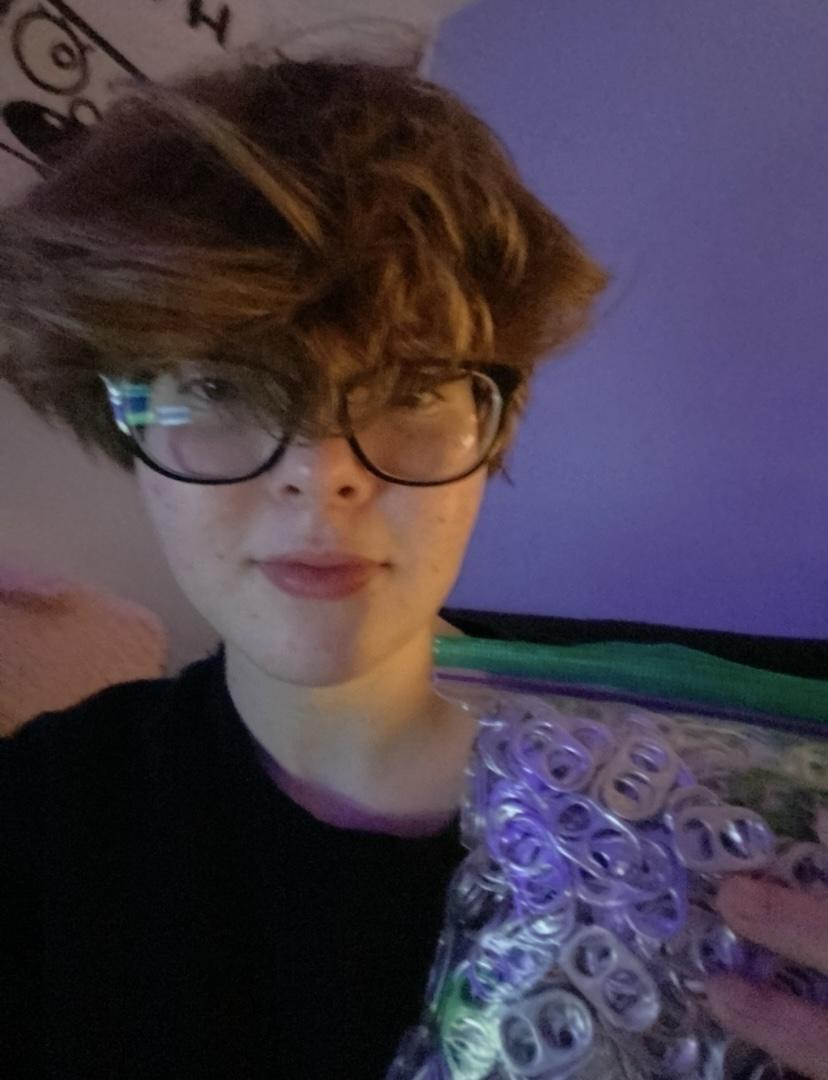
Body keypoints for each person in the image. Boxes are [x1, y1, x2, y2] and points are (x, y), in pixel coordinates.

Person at [0, 53, 825, 1080]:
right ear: (122, 424)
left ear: (496, 418)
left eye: (409, 387)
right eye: (220, 387)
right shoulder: (40, 817)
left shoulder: (722, 818)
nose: (323, 477)